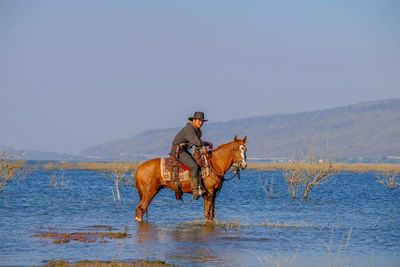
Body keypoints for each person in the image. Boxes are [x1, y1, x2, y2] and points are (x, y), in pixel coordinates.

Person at [171, 112, 213, 200]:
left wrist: (205, 144)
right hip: (178, 151)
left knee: (198, 163)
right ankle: (195, 191)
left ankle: (199, 186)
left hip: (183, 151)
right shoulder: (189, 129)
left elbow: (198, 141)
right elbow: (197, 142)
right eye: (199, 120)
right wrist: (204, 145)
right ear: (194, 120)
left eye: (202, 121)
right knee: (194, 166)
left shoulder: (194, 129)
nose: (201, 123)